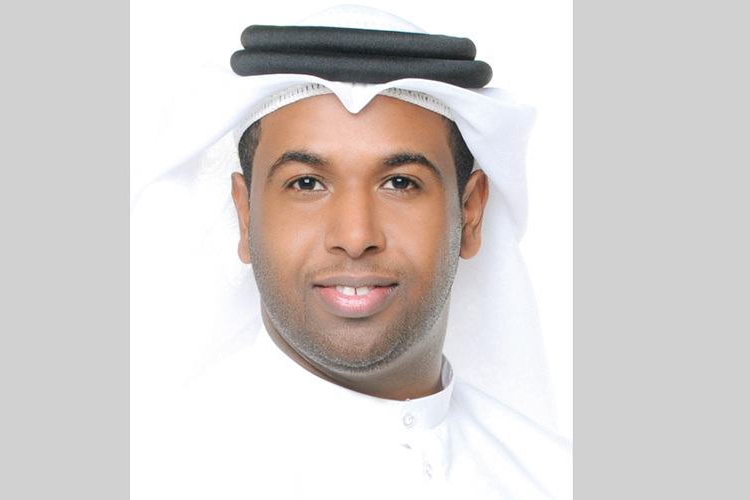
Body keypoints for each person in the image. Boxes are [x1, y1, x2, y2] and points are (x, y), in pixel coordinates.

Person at [131, 5, 571, 499]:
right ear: (246, 215)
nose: (356, 235)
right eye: (307, 183)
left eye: (400, 183)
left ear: (469, 213)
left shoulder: (555, 479)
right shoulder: (158, 478)